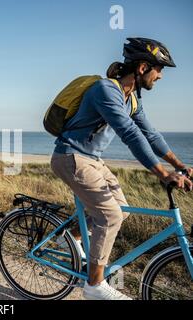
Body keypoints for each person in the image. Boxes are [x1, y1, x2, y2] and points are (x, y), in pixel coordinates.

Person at [50, 38, 192, 300]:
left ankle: (69, 239)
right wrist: (162, 174)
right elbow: (129, 133)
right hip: (71, 156)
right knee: (110, 216)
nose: (160, 76)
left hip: (92, 159)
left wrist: (180, 165)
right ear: (142, 68)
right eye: (159, 69)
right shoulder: (106, 90)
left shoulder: (132, 100)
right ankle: (94, 286)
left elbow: (150, 134)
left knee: (121, 210)